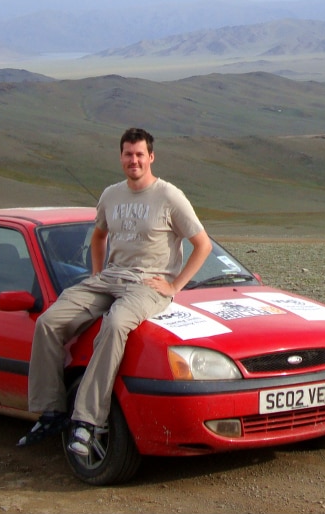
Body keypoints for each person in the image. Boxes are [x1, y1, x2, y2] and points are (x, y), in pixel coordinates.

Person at [18, 127, 212, 456]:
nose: (134, 160)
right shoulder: (111, 195)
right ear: (120, 157)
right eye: (128, 154)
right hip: (109, 278)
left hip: (148, 284)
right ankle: (51, 412)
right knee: (49, 322)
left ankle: (87, 420)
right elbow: (98, 236)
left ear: (151, 157)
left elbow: (202, 244)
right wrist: (97, 274)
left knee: (115, 323)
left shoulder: (169, 196)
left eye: (140, 154)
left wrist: (174, 285)